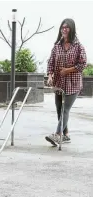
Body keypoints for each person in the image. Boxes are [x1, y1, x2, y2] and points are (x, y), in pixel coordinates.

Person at [45, 18, 87, 146]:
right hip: (58, 82)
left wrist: (68, 70)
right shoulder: (57, 46)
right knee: (59, 109)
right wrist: (50, 76)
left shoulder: (78, 46)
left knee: (65, 109)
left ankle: (58, 135)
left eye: (67, 27)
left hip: (73, 83)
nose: (64, 29)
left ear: (72, 29)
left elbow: (83, 63)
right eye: (62, 27)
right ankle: (66, 134)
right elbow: (50, 62)